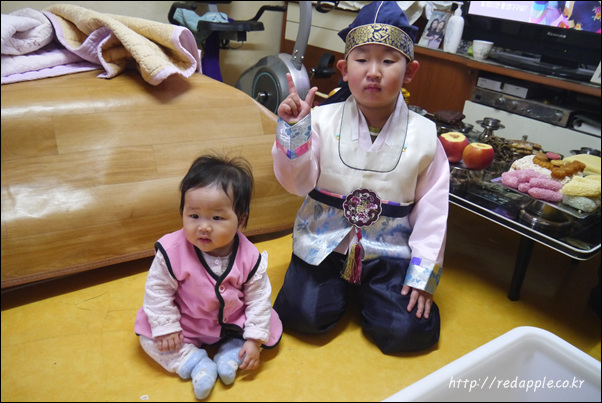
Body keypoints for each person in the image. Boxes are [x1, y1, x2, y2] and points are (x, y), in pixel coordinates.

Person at [271, 1, 449, 354]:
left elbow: (434, 214)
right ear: (344, 68)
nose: (374, 72)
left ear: (410, 71)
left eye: (388, 61)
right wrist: (295, 131)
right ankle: (341, 290)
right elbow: (296, 184)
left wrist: (422, 276)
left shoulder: (426, 136)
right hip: (324, 244)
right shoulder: (320, 120)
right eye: (362, 59)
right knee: (300, 316)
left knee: (407, 332)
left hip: (389, 253)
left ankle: (372, 292)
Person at [134, 154, 282, 400]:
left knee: (269, 324)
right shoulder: (172, 252)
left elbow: (258, 298)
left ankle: (231, 353)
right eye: (193, 216)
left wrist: (254, 340)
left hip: (233, 322)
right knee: (149, 336)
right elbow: (157, 291)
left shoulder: (249, 256)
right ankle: (194, 362)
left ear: (241, 220)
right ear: (182, 212)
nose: (203, 227)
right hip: (187, 323)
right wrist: (167, 327)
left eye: (217, 218)